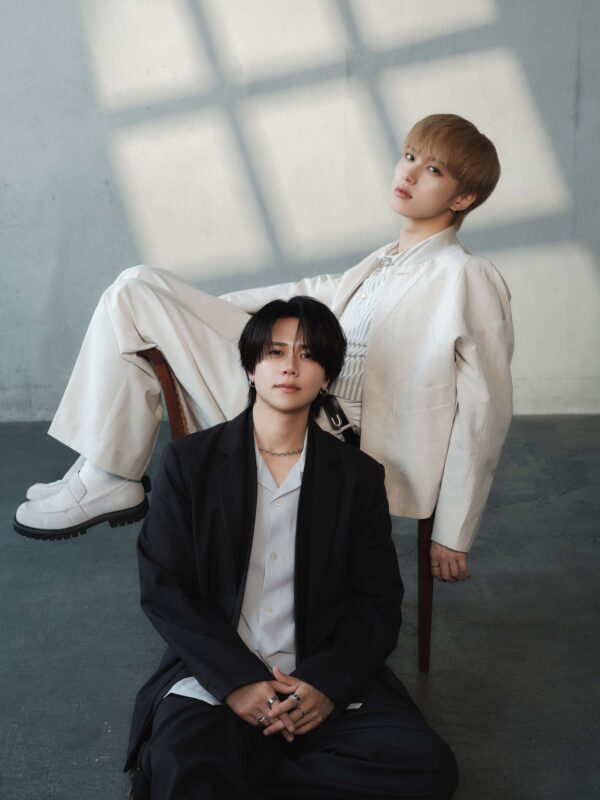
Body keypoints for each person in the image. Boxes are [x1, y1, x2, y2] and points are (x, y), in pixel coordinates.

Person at [15, 113, 513, 582]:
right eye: (409, 156)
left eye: (433, 170)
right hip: (293, 398)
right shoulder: (383, 262)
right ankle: (104, 471)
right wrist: (185, 312)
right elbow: (306, 290)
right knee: (137, 287)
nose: (410, 173)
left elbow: (484, 412)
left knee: (137, 295)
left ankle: (107, 473)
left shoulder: (467, 276)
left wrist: (453, 532)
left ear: (463, 198)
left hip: (329, 442)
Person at [124, 296, 458, 799]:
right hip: (217, 678)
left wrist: (325, 685)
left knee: (427, 769)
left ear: (326, 378)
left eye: (308, 354)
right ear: (252, 368)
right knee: (183, 762)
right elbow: (164, 588)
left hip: (317, 680)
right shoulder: (190, 463)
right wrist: (237, 682)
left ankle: (245, 777)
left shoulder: (358, 477)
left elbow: (377, 601)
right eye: (276, 352)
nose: (290, 366)